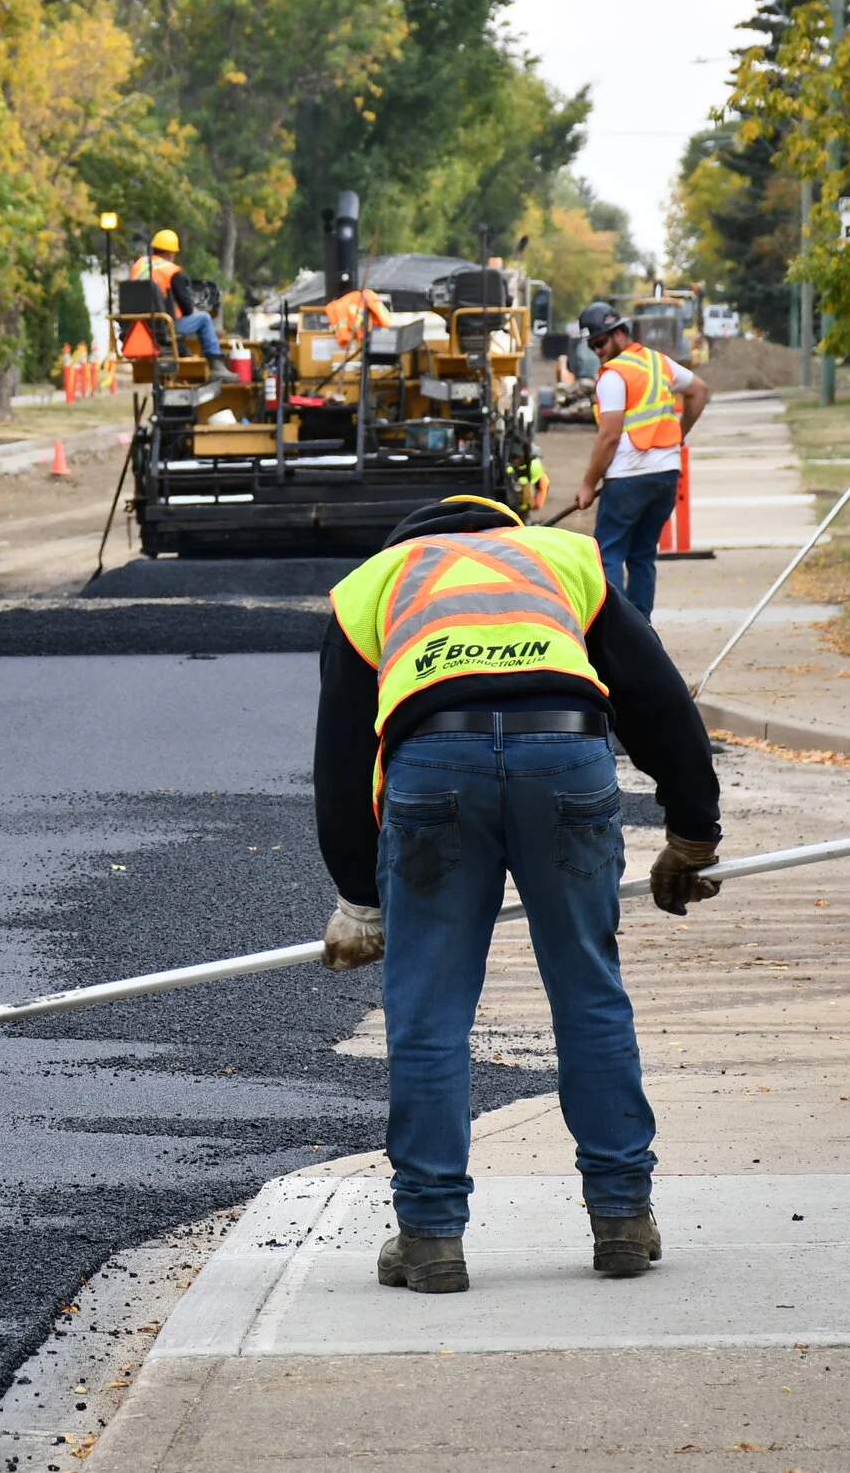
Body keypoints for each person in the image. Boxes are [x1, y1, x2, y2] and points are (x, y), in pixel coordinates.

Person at [314, 494, 724, 1293]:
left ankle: (431, 1236)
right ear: (505, 526)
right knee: (588, 990)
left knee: (429, 1009)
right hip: (564, 753)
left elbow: (339, 753)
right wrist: (691, 832)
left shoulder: (371, 584)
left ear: (412, 541)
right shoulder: (562, 559)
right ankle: (622, 1218)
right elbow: (657, 696)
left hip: (435, 765)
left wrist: (360, 896)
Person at [571, 301, 710, 615]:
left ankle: (617, 632)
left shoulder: (613, 376)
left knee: (608, 554)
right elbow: (699, 390)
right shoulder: (659, 362)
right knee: (643, 555)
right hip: (665, 475)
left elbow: (608, 437)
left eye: (600, 342)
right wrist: (678, 434)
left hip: (627, 478)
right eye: (592, 346)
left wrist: (587, 484)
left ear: (619, 333)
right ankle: (642, 631)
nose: (598, 350)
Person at [126, 229, 232, 376]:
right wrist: (194, 309)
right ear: (171, 253)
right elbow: (187, 309)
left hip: (135, 324)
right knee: (204, 319)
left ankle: (182, 352)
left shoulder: (139, 265)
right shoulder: (172, 271)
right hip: (163, 326)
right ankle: (216, 365)